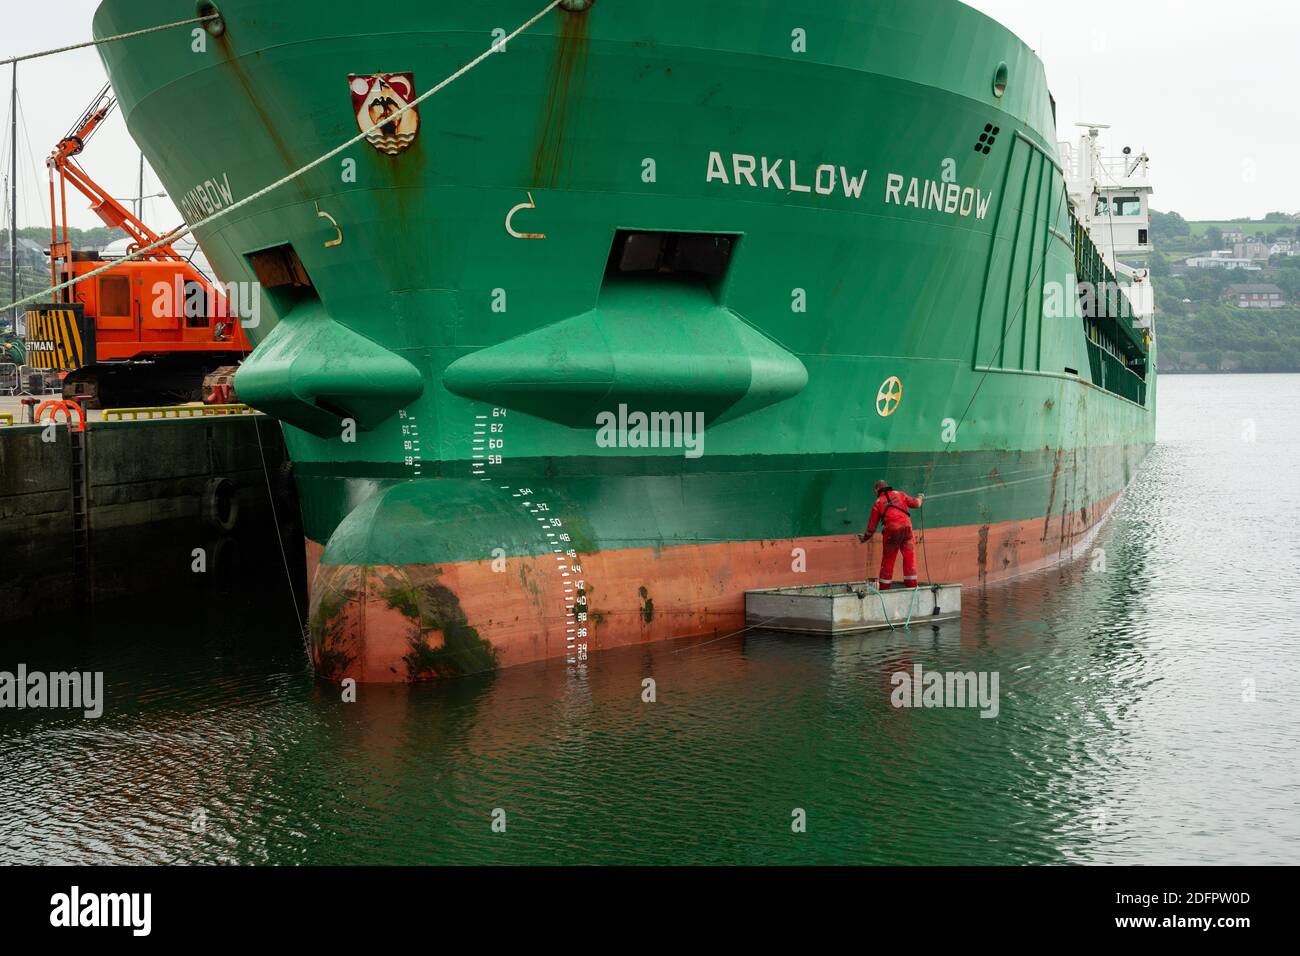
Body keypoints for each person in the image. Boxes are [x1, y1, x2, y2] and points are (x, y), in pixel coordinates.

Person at [859, 480, 924, 590]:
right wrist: (920, 497)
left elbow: (872, 527)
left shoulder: (878, 503)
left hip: (892, 532)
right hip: (907, 529)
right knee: (909, 559)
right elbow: (916, 504)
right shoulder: (900, 494)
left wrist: (864, 538)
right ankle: (912, 587)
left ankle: (884, 589)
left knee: (888, 561)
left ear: (876, 489)